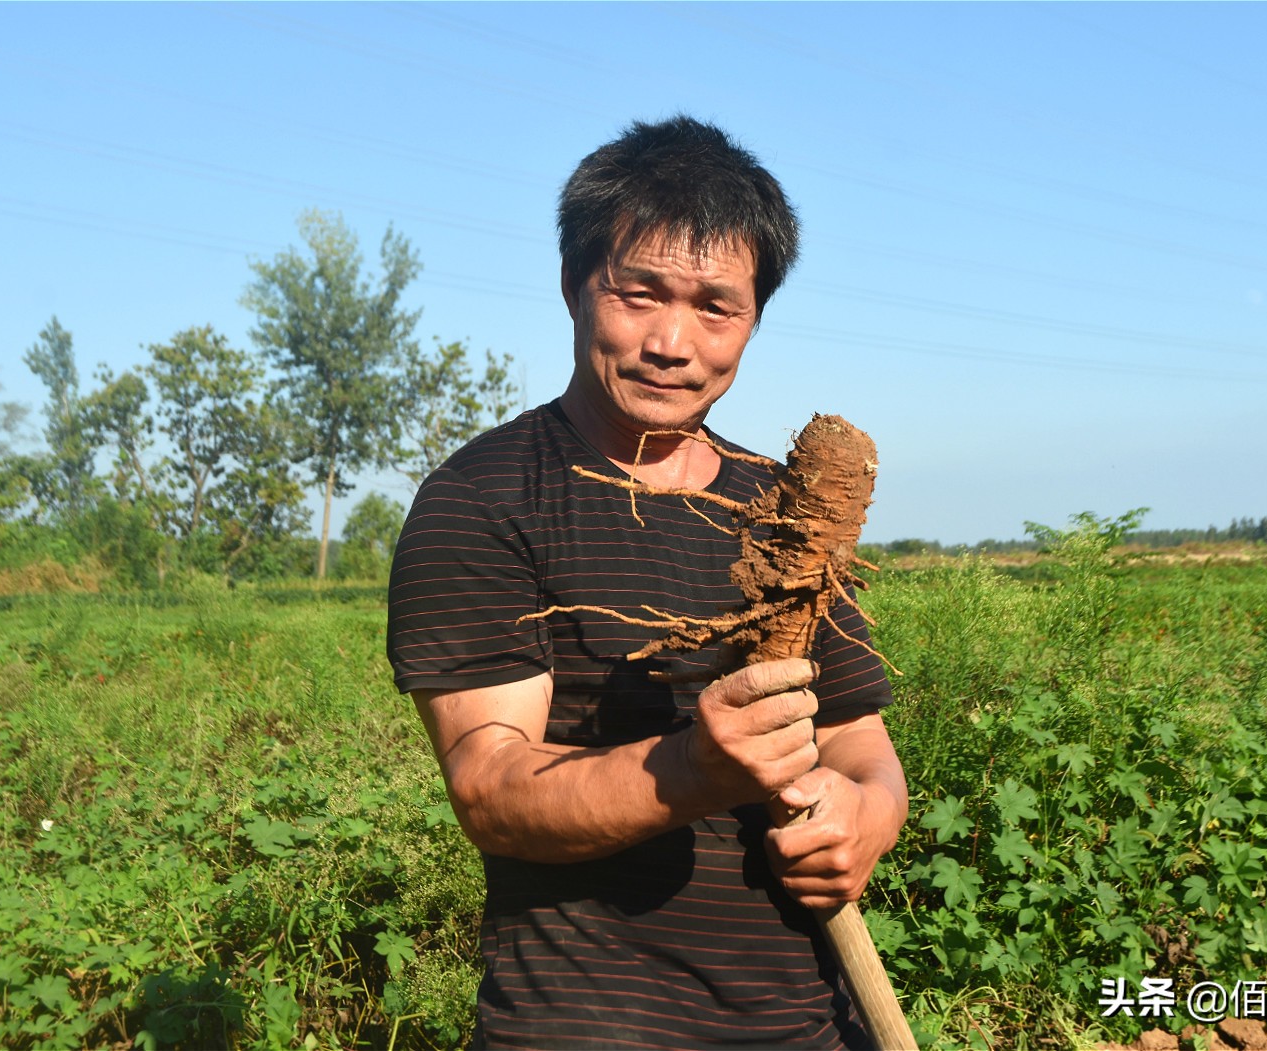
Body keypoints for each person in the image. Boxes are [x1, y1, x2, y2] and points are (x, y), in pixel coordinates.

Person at [387, 115, 908, 1050]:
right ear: (574, 286)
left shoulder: (781, 510)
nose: (674, 342)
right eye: (639, 294)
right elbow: (490, 785)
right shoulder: (484, 498)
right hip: (590, 1023)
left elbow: (860, 742)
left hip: (812, 1020)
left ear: (753, 318)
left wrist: (864, 815)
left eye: (716, 306)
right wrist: (692, 770)